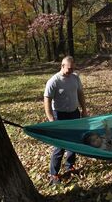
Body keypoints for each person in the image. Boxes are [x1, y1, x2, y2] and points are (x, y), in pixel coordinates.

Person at [44, 56, 88, 185]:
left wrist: (84, 110)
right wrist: (51, 118)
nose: (71, 71)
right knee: (60, 145)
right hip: (60, 116)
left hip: (74, 113)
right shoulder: (54, 81)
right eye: (69, 68)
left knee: (73, 142)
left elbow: (80, 94)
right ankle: (54, 174)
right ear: (62, 66)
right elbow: (47, 100)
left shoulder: (75, 78)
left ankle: (70, 167)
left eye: (73, 68)